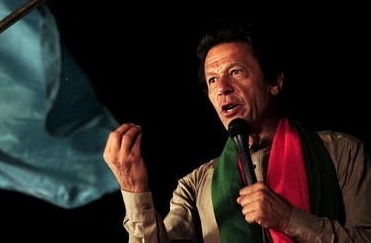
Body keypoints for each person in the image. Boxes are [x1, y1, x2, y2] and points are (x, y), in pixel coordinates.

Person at [103, 18, 371, 242]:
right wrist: (134, 190)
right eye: (212, 79)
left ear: (274, 81)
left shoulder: (341, 152)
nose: (222, 88)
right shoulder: (195, 187)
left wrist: (289, 219)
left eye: (236, 72)